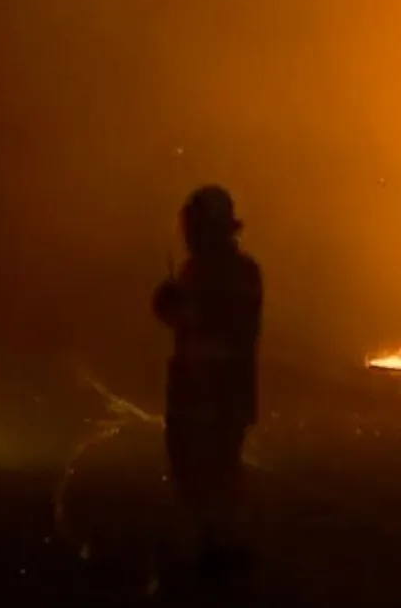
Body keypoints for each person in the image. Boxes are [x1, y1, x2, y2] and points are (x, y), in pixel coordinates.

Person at [152, 185, 262, 575]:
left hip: (210, 394)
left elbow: (215, 324)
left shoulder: (222, 274)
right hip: (216, 394)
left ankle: (220, 545)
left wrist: (173, 307)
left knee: (209, 470)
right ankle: (217, 542)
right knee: (213, 470)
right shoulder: (220, 271)